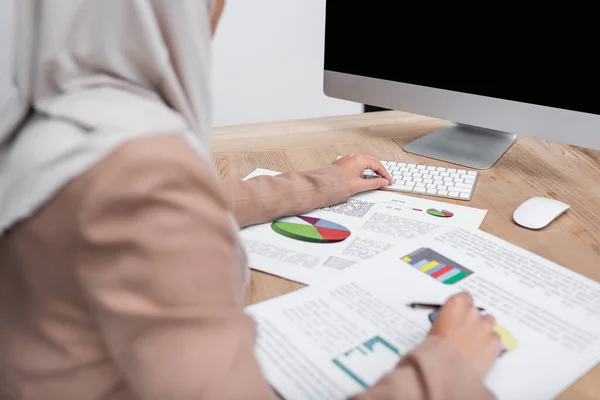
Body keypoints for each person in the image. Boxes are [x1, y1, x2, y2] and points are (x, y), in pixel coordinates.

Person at [0, 1, 501, 399]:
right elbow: (152, 201)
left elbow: (189, 205)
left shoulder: (50, 126)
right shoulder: (136, 169)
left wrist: (325, 182)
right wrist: (445, 367)